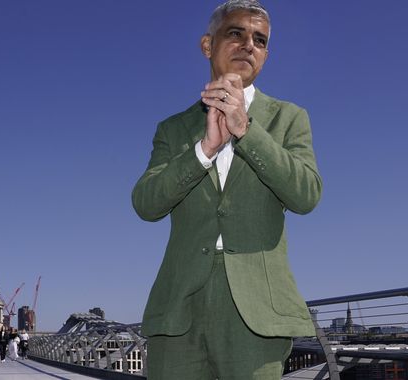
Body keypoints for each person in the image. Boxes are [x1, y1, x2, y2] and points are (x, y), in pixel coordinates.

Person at [131, 1, 322, 378]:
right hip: (179, 307)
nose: (249, 44)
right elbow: (146, 203)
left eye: (260, 40)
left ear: (265, 54)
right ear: (208, 45)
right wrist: (204, 150)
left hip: (257, 311)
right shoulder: (172, 129)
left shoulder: (289, 118)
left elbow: (307, 195)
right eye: (236, 33)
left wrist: (248, 132)